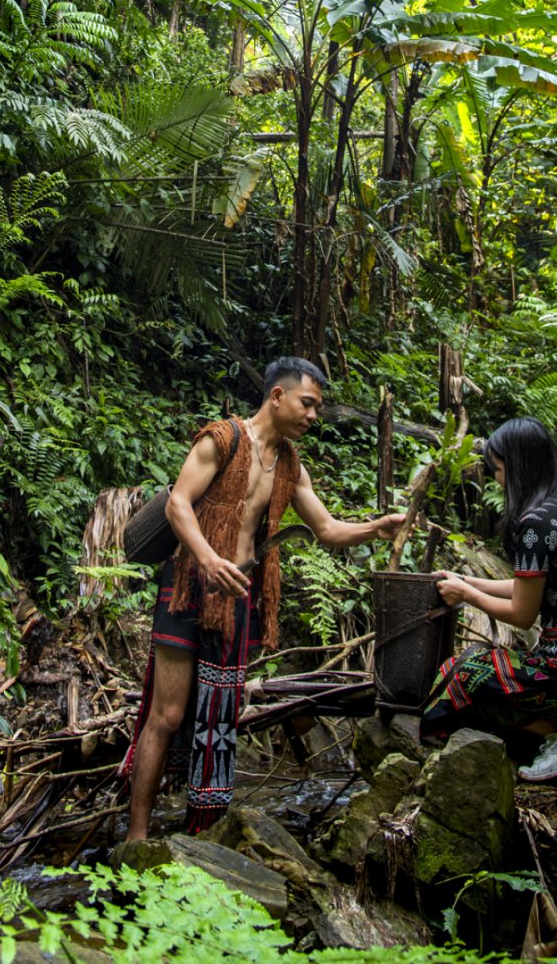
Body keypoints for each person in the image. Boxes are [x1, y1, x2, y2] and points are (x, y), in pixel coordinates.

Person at [122, 357, 405, 838]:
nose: (314, 416)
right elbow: (177, 504)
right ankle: (137, 835)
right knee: (167, 714)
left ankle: (202, 833)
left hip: (235, 600)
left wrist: (376, 528)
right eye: (308, 404)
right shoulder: (221, 439)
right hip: (188, 586)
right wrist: (210, 558)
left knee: (220, 714)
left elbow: (327, 529)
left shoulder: (291, 467)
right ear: (278, 396)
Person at [420, 416, 557, 782]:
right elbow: (526, 586)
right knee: (482, 671)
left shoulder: (536, 523)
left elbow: (521, 613)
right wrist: (469, 581)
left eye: (499, 469)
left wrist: (466, 594)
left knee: (463, 676)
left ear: (519, 469)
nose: (496, 479)